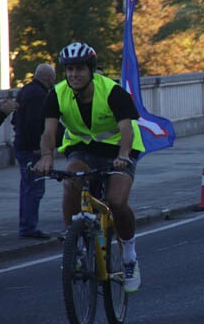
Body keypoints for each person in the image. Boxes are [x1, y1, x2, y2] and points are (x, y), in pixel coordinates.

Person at [34, 43, 145, 292]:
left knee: (117, 202)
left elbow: (127, 129)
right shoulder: (56, 93)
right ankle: (75, 247)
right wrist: (46, 157)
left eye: (80, 69)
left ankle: (129, 256)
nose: (74, 74)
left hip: (119, 150)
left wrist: (123, 156)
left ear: (91, 70)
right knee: (70, 180)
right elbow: (49, 132)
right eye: (70, 69)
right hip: (83, 150)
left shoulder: (112, 92)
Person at [13, 66, 51, 239]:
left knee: (27, 187)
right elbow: (35, 123)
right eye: (53, 78)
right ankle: (29, 227)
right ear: (48, 78)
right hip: (31, 149)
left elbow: (16, 120)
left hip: (21, 145)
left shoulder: (25, 90)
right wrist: (39, 147)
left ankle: (26, 224)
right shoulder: (39, 95)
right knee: (34, 189)